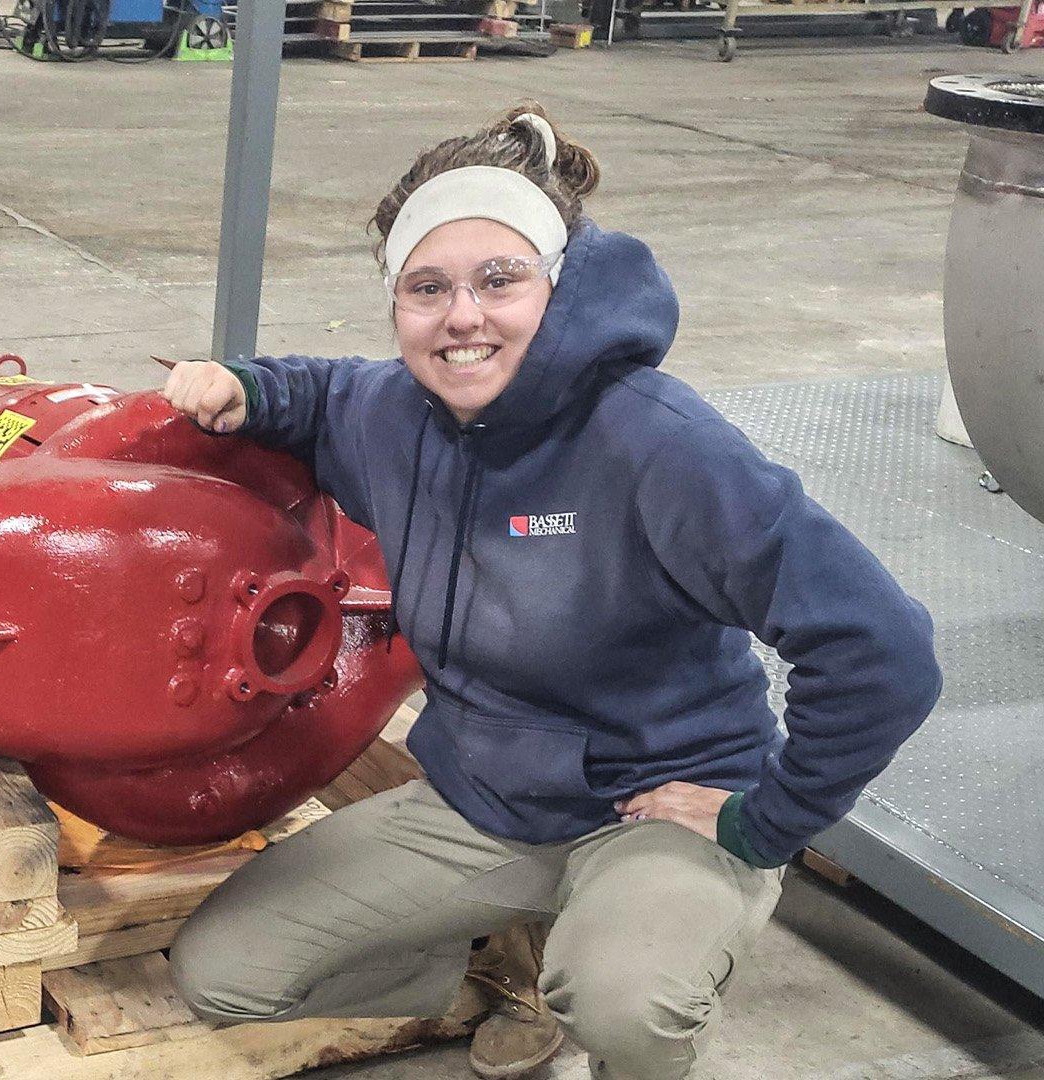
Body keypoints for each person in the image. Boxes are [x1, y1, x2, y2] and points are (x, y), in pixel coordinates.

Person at [159, 103, 942, 1080]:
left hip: (653, 807)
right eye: (427, 287)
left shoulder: (655, 441)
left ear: (556, 286)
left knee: (623, 1003)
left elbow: (884, 652)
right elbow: (321, 393)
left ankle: (613, 993)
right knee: (222, 971)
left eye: (500, 280)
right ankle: (502, 968)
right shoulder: (388, 413)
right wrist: (244, 389)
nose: (463, 316)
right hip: (486, 804)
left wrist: (763, 820)